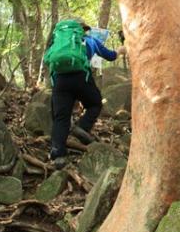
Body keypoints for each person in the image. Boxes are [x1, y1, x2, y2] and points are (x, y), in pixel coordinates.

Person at [46, 19, 126, 169]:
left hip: (60, 81)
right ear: (82, 29)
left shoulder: (58, 43)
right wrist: (121, 50)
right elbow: (110, 56)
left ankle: (58, 155)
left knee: (61, 117)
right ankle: (82, 127)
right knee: (95, 103)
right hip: (81, 78)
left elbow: (47, 59)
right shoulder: (91, 40)